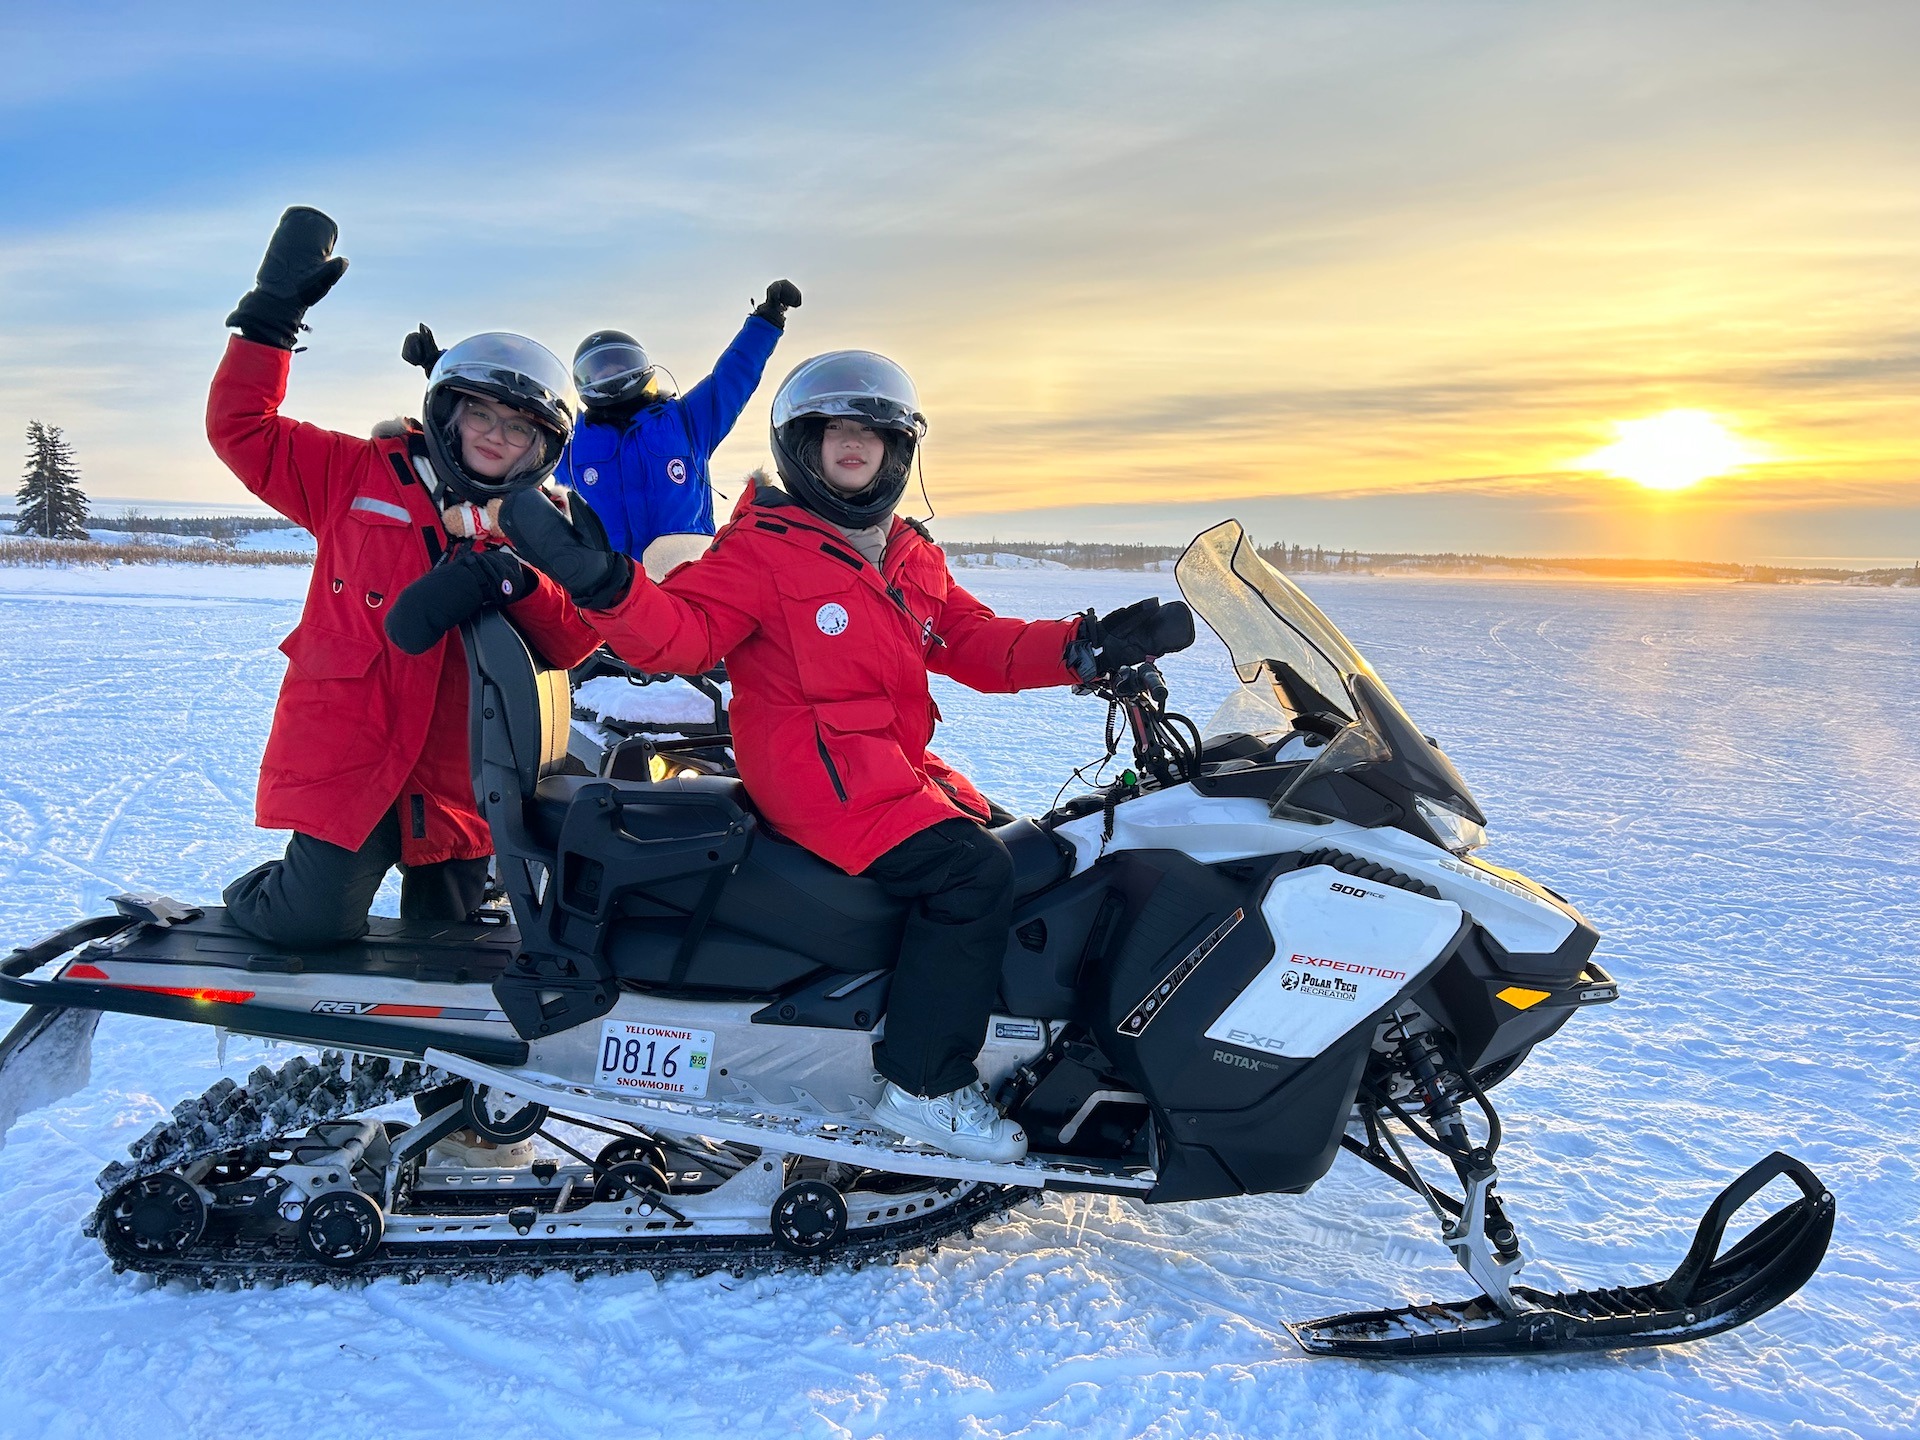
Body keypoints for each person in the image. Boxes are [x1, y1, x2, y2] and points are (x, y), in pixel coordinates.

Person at [500, 351, 1194, 1163]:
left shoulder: (903, 553)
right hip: (815, 779)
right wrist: (604, 583)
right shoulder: (760, 549)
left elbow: (975, 643)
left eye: (871, 432)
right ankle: (924, 1085)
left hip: (886, 770)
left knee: (1029, 851)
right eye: (835, 431)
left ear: (898, 451)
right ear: (804, 447)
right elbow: (684, 637)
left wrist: (1087, 644)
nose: (853, 445)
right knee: (973, 874)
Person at [209, 206, 601, 953]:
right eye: (482, 412)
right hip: (354, 750)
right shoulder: (357, 471)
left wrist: (517, 583)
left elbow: (575, 638)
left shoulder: (541, 524)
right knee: (310, 923)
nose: (494, 433)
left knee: (449, 951)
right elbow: (240, 429)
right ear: (450, 411)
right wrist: (269, 322)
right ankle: (264, 893)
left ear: (541, 444)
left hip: (464, 769)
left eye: (518, 426)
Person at [559, 280, 802, 580]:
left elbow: (731, 377)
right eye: (600, 370)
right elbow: (521, 458)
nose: (612, 376)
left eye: (619, 364)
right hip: (606, 589)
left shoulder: (686, 420)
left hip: (686, 575)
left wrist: (768, 319)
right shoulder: (568, 441)